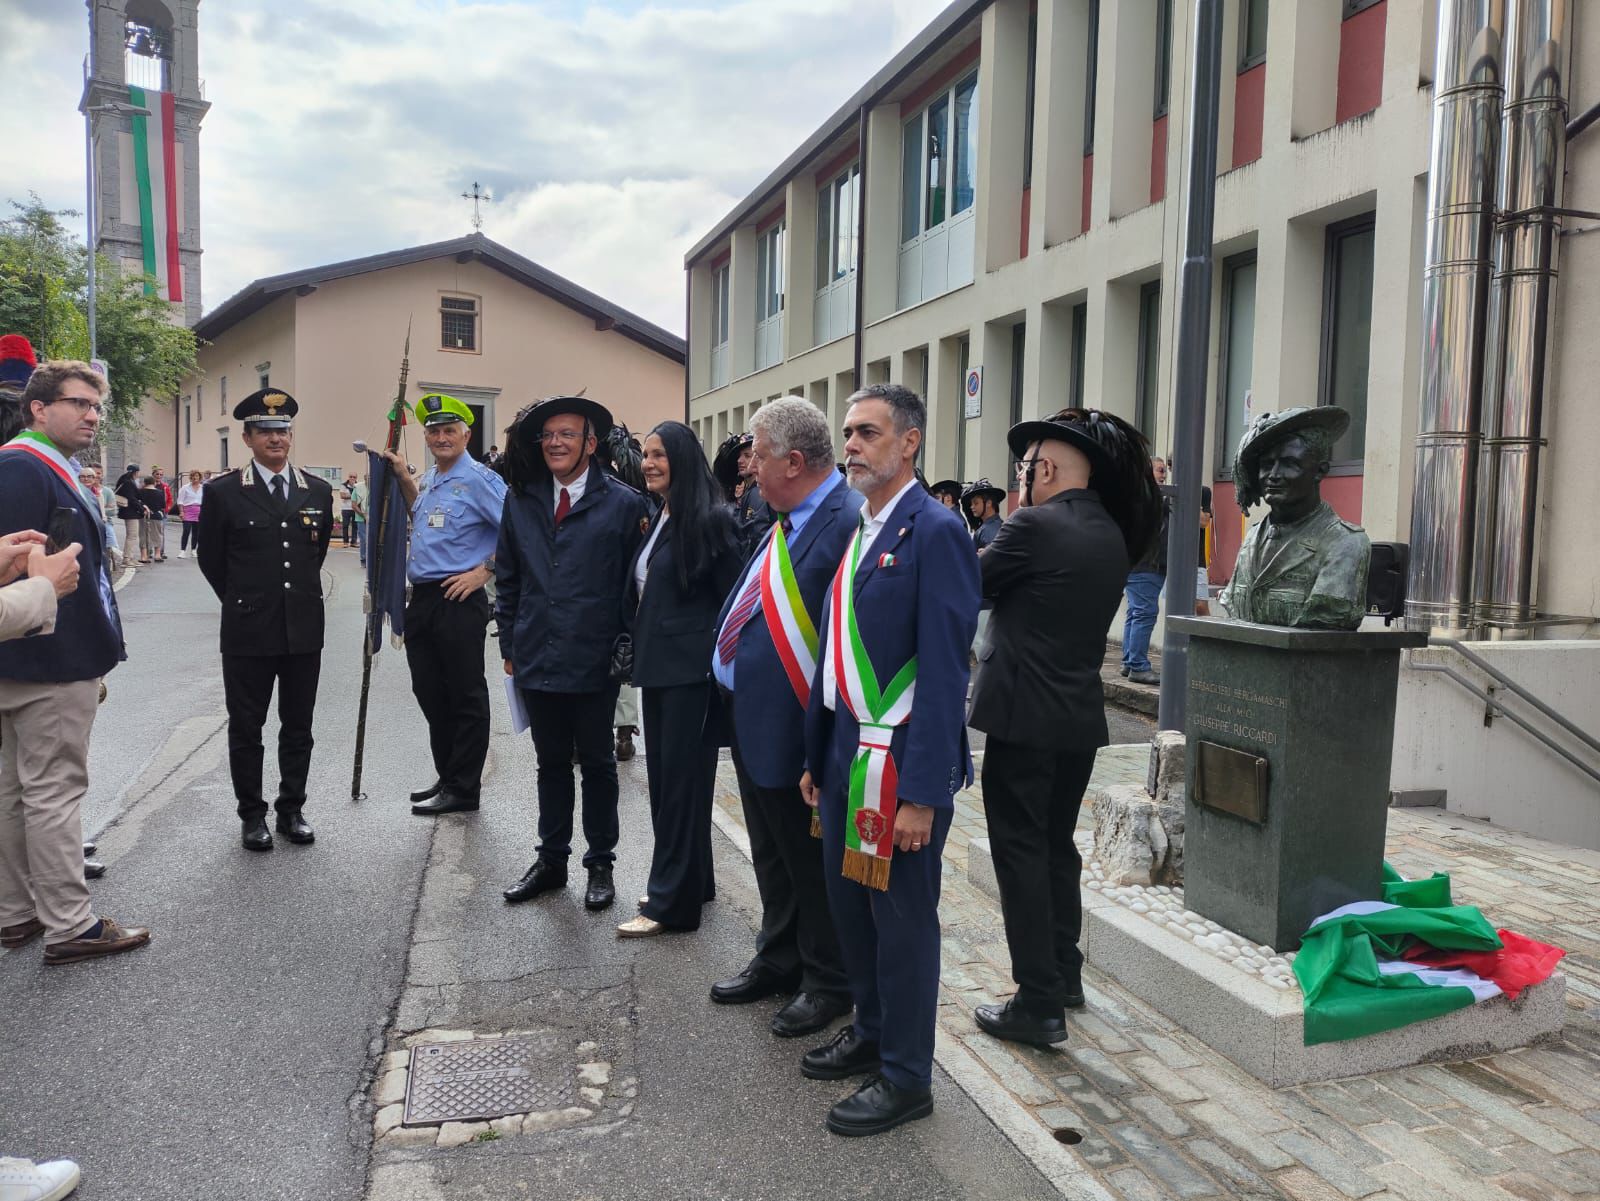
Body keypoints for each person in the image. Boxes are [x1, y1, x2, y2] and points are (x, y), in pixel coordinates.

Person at [798, 384, 980, 1138]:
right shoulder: (863, 525)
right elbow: (836, 652)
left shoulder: (935, 529)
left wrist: (923, 795)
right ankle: (872, 1030)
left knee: (902, 923)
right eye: (848, 432)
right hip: (848, 754)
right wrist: (817, 755)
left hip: (898, 765)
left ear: (910, 441)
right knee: (853, 906)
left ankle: (907, 1076)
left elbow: (944, 671)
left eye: (868, 432)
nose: (851, 445)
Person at [968, 408, 1161, 1047]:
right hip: (1076, 720)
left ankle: (1037, 1001)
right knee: (1054, 847)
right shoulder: (1109, 531)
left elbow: (970, 582)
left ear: (1044, 468)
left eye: (1023, 467)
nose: (1019, 478)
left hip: (1023, 718)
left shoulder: (1035, 525)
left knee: (1020, 852)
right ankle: (1062, 971)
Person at [709, 397, 860, 1036]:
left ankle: (827, 980)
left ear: (794, 462)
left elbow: (848, 643)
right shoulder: (792, 517)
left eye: (758, 456)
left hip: (801, 729)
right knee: (772, 853)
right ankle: (779, 956)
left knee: (809, 861)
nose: (748, 469)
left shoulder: (847, 519)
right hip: (755, 718)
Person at [0, 361, 146, 965]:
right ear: (38, 408)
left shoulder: (40, 464)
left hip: (38, 658)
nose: (92, 416)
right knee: (54, 793)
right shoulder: (23, 466)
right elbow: (16, 571)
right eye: (79, 403)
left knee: (16, 793)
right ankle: (70, 924)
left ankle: (16, 913)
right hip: (45, 661)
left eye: (97, 406)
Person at [498, 396, 649, 912]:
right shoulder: (522, 500)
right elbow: (509, 578)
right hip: (536, 654)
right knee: (550, 764)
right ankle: (551, 860)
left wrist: (626, 647)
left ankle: (600, 863)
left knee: (599, 765)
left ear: (590, 443)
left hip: (594, 660)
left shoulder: (625, 505)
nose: (555, 443)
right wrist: (510, 644)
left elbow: (635, 585)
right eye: (548, 435)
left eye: (567, 434)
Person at [615, 421, 743, 938]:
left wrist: (715, 665)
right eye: (646, 454)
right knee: (671, 784)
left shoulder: (712, 519)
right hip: (660, 671)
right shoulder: (664, 513)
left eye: (659, 455)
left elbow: (734, 601)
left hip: (691, 675)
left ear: (683, 460)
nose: (648, 463)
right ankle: (694, 883)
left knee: (680, 790)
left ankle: (672, 905)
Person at [197, 389, 334, 851]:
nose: (276, 439)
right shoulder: (223, 492)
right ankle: (252, 814)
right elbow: (212, 560)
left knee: (298, 725)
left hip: (303, 628)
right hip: (248, 629)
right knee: (246, 726)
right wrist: (245, 600)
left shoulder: (317, 490)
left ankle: (291, 809)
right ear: (248, 438)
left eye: (283, 431)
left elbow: (314, 554)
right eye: (265, 432)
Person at [381, 394, 506, 816]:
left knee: (465, 695)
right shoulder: (433, 478)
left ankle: (464, 789)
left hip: (458, 598)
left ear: (466, 435)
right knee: (431, 692)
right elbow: (420, 514)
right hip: (424, 600)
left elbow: (520, 530)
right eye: (433, 431)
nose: (441, 437)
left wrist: (484, 571)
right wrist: (403, 476)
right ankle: (449, 775)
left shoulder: (481, 480)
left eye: (449, 430)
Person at [1120, 457, 1169, 685]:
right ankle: (1138, 666)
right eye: (1160, 470)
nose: (1164, 475)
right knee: (1144, 613)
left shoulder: (1138, 496)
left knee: (1135, 613)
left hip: (1139, 564)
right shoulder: (1147, 497)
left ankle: (1129, 662)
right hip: (1146, 565)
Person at [114, 463, 148, 564]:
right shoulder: (128, 483)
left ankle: (131, 557)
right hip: (130, 512)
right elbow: (132, 499)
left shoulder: (126, 481)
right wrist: (142, 509)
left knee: (132, 535)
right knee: (132, 535)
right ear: (135, 472)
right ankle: (127, 558)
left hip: (128, 511)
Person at [174, 470, 204, 558]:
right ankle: (182, 551)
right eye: (193, 476)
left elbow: (205, 501)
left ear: (199, 477)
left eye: (197, 476)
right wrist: (181, 512)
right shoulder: (185, 487)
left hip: (199, 511)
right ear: (191, 477)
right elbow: (180, 501)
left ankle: (193, 550)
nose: (195, 478)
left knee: (196, 532)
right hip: (187, 510)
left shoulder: (203, 488)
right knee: (186, 531)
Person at [146, 467, 173, 562]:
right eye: (157, 474)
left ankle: (161, 552)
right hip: (149, 512)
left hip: (161, 512)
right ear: (153, 475)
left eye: (161, 474)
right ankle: (149, 551)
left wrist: (167, 508)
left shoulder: (165, 486)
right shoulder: (147, 486)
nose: (159, 476)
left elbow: (169, 499)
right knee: (148, 532)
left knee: (160, 532)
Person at [350, 473, 369, 567]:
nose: (368, 481)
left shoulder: (376, 488)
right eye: (367, 479)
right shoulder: (357, 488)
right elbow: (354, 505)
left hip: (373, 518)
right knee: (364, 539)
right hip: (361, 518)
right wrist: (363, 515)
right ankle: (363, 559)